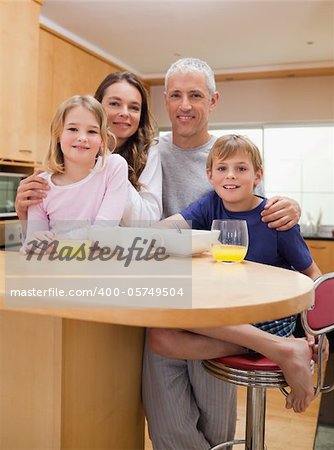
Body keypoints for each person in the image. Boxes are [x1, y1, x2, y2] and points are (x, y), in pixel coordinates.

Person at [142, 58, 303, 450]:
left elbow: (264, 210)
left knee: (217, 430)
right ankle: (267, 345)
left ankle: (267, 344)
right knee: (167, 430)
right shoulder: (150, 153)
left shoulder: (231, 155)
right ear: (165, 100)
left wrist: (291, 209)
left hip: (219, 308)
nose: (185, 105)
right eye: (176, 95)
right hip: (163, 303)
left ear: (212, 101)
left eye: (195, 95)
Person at [148, 134, 322, 415]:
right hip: (232, 313)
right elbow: (169, 228)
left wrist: (316, 329)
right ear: (210, 175)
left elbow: (313, 274)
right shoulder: (210, 205)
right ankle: (279, 348)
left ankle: (283, 345)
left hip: (268, 314)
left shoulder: (275, 217)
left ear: (258, 176)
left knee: (179, 305)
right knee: (160, 338)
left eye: (241, 168)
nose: (231, 176)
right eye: (222, 168)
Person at [16, 72, 162, 227]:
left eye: (134, 107)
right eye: (114, 103)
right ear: (96, 106)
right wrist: (24, 212)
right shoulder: (68, 154)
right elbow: (37, 240)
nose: (125, 113)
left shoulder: (149, 153)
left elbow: (148, 221)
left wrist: (114, 173)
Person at [21, 94, 128, 252]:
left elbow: (103, 233)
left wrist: (58, 241)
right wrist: (32, 244)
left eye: (92, 131)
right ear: (58, 135)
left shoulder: (113, 167)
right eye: (72, 129)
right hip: (57, 270)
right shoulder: (40, 185)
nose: (82, 138)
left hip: (100, 269)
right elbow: (35, 242)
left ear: (102, 139)